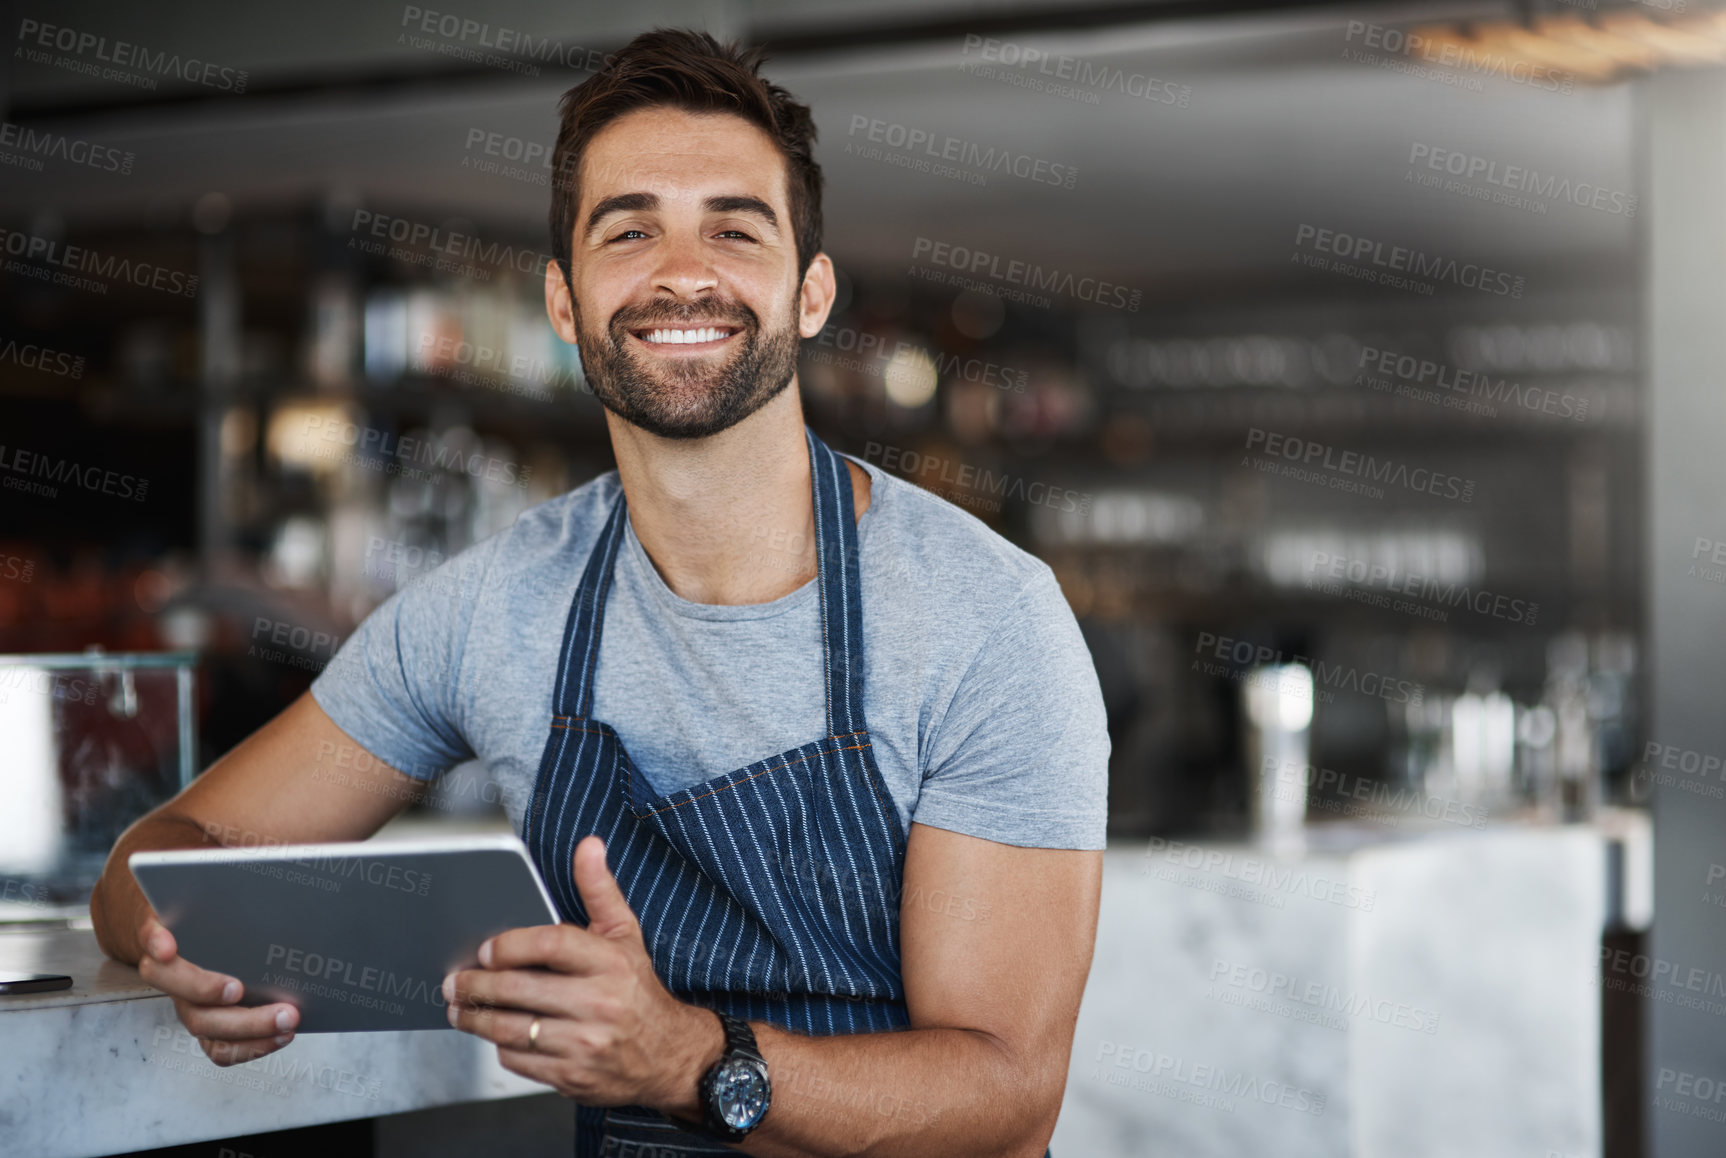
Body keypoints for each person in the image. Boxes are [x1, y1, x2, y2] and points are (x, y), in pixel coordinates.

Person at [93, 28, 1108, 1157]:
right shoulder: (489, 609)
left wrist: (686, 1061)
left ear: (810, 293)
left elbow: (1006, 1097)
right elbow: (162, 853)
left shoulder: (985, 618)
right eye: (629, 231)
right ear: (564, 301)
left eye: (735, 227)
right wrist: (189, 945)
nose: (683, 271)